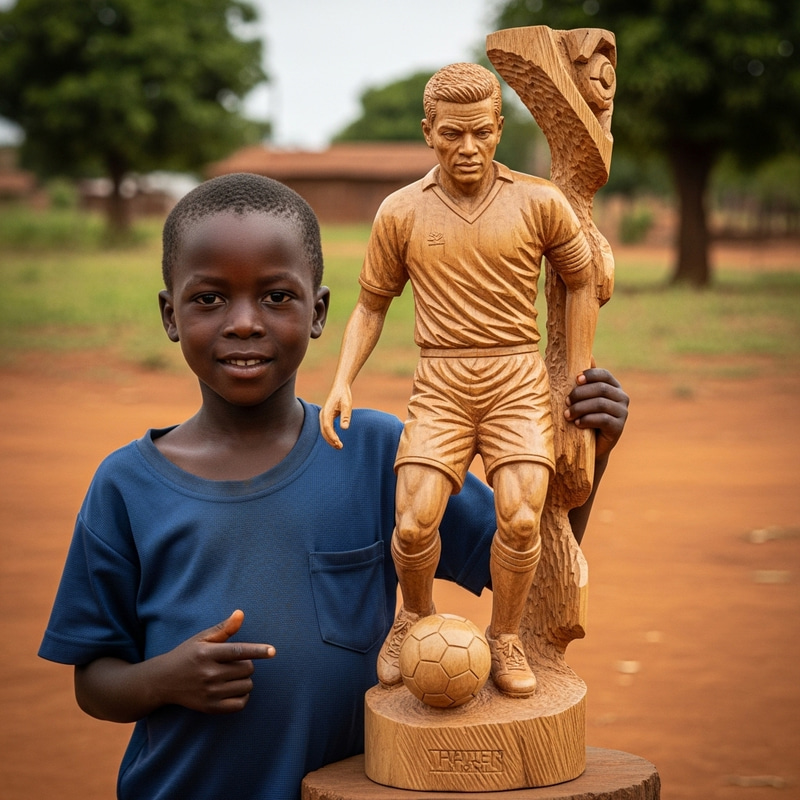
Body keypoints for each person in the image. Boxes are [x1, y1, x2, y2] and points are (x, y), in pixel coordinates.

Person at [39, 173, 629, 800]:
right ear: (170, 315)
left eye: (275, 297)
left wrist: (589, 451)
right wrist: (164, 680)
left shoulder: (376, 452)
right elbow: (95, 681)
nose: (244, 323)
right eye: (210, 299)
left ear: (318, 312)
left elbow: (529, 559)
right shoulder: (127, 487)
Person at [320, 63, 607, 698]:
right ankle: (413, 617)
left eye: (481, 132)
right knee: (415, 523)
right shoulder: (401, 212)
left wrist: (574, 375)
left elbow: (582, 279)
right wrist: (342, 379)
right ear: (429, 132)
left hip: (516, 377)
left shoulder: (538, 203)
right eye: (452, 134)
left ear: (500, 128)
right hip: (441, 382)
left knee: (522, 516)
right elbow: (371, 305)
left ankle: (506, 635)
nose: (468, 148)